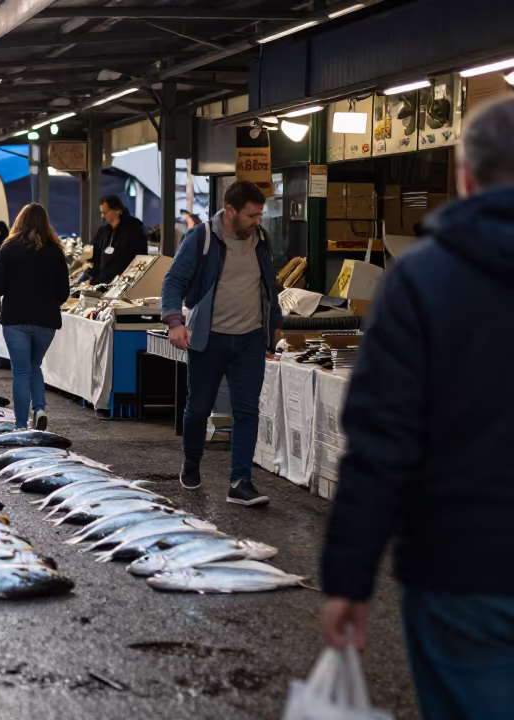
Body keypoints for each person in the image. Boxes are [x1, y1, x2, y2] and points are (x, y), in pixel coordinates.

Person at [320, 97, 514, 719]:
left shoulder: (423, 278)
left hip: (462, 569)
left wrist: (349, 577)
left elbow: (382, 441)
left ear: (463, 176)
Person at [160, 180, 282, 507]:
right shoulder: (201, 238)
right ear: (230, 211)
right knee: (199, 408)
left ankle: (240, 481)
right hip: (208, 339)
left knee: (246, 411)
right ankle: (192, 461)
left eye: (260, 215)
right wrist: (174, 321)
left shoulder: (261, 240)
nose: (258, 221)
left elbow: (268, 286)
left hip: (250, 343)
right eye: (251, 215)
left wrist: (274, 327)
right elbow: (173, 281)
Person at [0, 203, 69, 430]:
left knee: (21, 371)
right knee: (35, 366)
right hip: (46, 321)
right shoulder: (55, 251)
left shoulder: (9, 248)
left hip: (16, 319)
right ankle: (39, 409)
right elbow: (64, 293)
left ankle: (21, 424)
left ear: (19, 222)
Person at [89, 195, 150, 285]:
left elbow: (139, 261)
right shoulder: (103, 232)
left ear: (118, 210)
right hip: (101, 284)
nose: (102, 216)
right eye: (101, 213)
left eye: (105, 213)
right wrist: (93, 281)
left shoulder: (134, 232)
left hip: (123, 285)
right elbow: (96, 260)